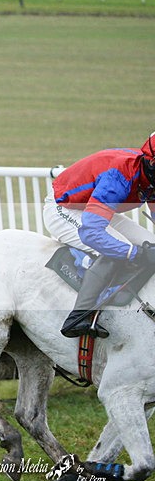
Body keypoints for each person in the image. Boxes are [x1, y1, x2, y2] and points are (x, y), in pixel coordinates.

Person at [43, 132, 155, 338]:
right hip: (64, 208)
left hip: (93, 208)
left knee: (152, 243)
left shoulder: (149, 175)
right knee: (116, 249)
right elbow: (92, 233)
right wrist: (136, 253)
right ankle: (78, 317)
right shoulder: (119, 177)